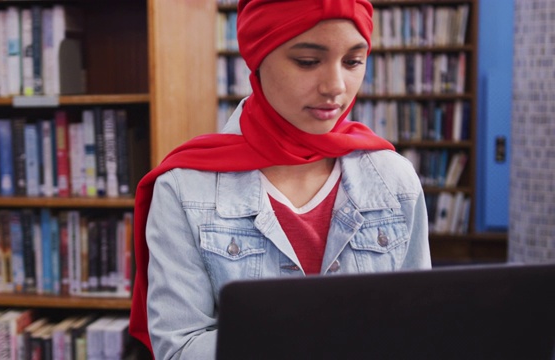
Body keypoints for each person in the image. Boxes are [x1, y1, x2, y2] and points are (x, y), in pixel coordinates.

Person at [128, 0, 431, 358]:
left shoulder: (394, 179)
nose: (335, 86)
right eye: (308, 61)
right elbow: (180, 349)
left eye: (353, 61)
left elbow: (420, 328)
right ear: (258, 56)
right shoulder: (184, 188)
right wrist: (321, 332)